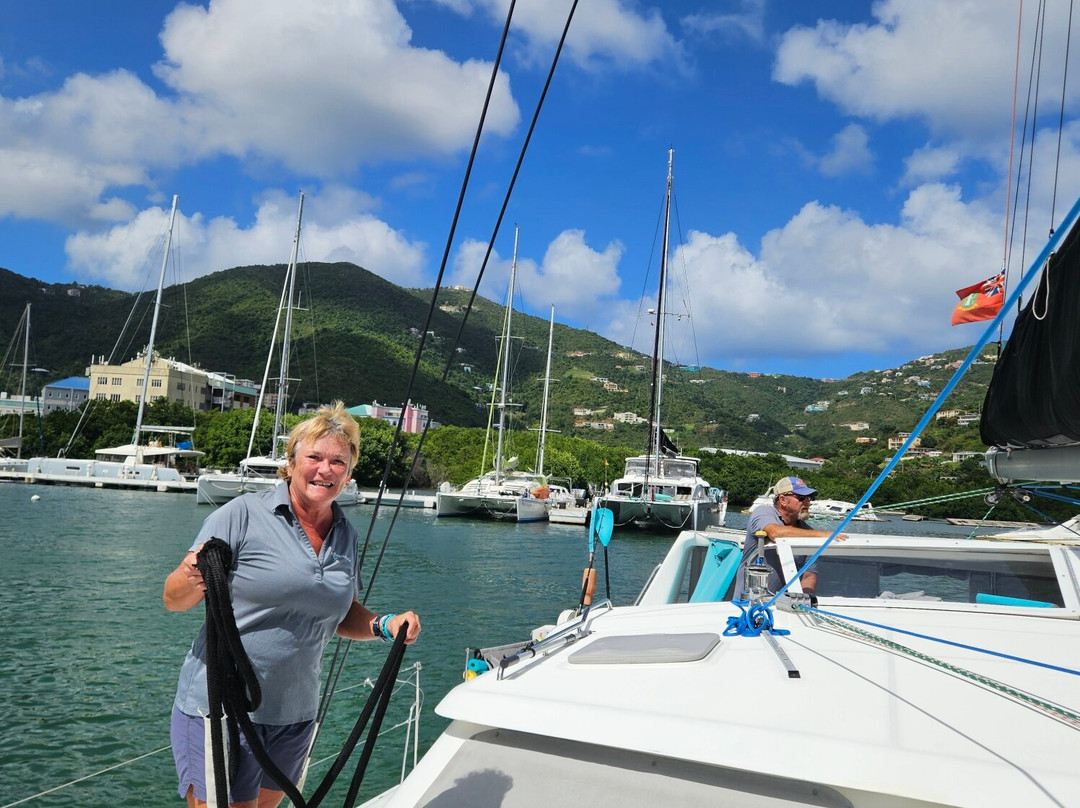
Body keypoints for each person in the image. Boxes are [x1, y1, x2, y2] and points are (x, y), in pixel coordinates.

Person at [164, 400, 421, 808]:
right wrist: (191, 574)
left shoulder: (345, 534)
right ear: (291, 461)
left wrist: (384, 624)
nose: (325, 469)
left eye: (338, 460)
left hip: (294, 713)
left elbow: (340, 613)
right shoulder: (242, 515)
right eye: (314, 456)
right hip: (223, 709)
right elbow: (173, 600)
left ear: (349, 472)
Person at [733, 476, 847, 600]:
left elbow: (808, 576)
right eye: (801, 498)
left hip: (784, 608)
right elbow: (775, 532)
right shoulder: (763, 512)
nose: (807, 502)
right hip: (747, 606)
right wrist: (824, 535)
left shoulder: (809, 533)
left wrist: (805, 599)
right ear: (783, 500)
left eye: (809, 498)